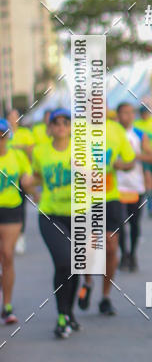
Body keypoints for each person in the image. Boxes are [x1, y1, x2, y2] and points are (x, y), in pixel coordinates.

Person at [78, 115, 135, 316]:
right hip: (84, 198)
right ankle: (88, 281)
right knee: (89, 248)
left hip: (110, 197)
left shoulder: (116, 130)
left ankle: (105, 297)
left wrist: (123, 165)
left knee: (111, 246)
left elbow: (130, 161)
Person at [31, 108, 78, 338]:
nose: (61, 126)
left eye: (65, 122)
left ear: (71, 127)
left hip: (79, 214)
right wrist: (30, 188)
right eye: (56, 122)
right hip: (50, 214)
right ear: (49, 128)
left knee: (76, 265)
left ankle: (70, 311)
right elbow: (36, 175)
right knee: (63, 261)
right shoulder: (40, 152)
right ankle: (62, 316)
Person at [0, 119, 34, 324]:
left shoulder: (17, 156)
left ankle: (7, 306)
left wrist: (37, 190)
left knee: (7, 254)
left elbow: (28, 180)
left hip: (12, 209)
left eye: (3, 135)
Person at [117, 102, 152, 271]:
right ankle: (123, 253)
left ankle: (132, 254)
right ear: (118, 115)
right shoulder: (112, 134)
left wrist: (134, 156)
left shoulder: (140, 135)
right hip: (116, 187)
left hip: (135, 186)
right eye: (124, 113)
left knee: (134, 223)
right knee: (119, 224)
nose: (128, 116)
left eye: (131, 112)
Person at [6, 109, 35, 256]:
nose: (13, 119)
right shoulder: (4, 132)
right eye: (10, 117)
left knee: (21, 204)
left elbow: (30, 149)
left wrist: (18, 148)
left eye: (15, 117)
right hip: (7, 175)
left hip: (22, 173)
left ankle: (20, 235)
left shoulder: (25, 133)